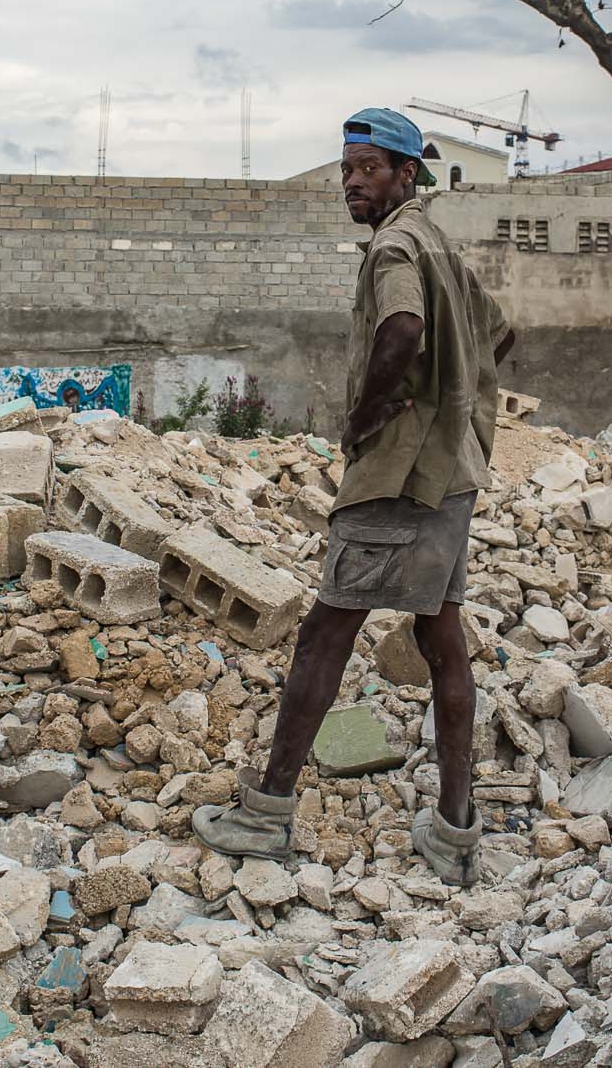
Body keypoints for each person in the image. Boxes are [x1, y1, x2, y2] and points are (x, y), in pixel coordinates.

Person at [193, 107, 515, 885]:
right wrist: (455, 399)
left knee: (324, 633)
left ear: (408, 173)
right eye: (345, 169)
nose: (352, 182)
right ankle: (453, 830)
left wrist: (371, 414)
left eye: (368, 168)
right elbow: (500, 334)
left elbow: (402, 328)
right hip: (453, 472)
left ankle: (264, 813)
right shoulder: (439, 242)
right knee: (443, 643)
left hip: (400, 478)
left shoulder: (398, 245)